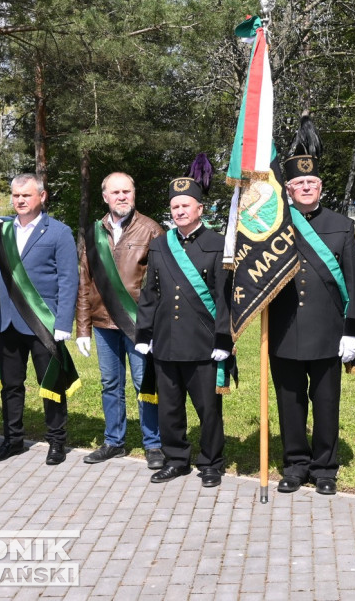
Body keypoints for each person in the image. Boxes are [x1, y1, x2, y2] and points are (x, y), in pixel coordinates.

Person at [269, 115, 355, 496]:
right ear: (288, 189)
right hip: (284, 330)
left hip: (328, 334)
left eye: (311, 182)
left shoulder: (343, 226)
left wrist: (353, 332)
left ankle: (325, 467)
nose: (305, 187)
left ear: (320, 187)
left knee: (326, 404)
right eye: (298, 183)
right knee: (290, 404)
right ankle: (295, 464)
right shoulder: (274, 226)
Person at [134, 177, 234, 486]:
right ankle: (176, 459)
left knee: (208, 409)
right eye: (175, 206)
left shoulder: (218, 244)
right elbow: (150, 292)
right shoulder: (161, 244)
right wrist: (143, 334)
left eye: (185, 205)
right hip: (166, 341)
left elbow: (225, 297)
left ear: (200, 208)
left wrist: (223, 338)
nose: (179, 211)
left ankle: (211, 462)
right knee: (170, 408)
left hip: (203, 343)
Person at [0, 173, 80, 465]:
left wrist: (64, 322)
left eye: (26, 195)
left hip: (43, 322)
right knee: (11, 385)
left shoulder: (59, 232)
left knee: (50, 384)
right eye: (15, 196)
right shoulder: (1, 232)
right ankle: (13, 440)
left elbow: (68, 280)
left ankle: (56, 441)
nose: (20, 200)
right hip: (6, 322)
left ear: (42, 196)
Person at [75, 172, 165, 469]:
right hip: (103, 324)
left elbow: (160, 284)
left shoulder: (151, 230)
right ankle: (114, 441)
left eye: (127, 191)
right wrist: (83, 328)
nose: (122, 197)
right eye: (116, 192)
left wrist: (154, 326)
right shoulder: (93, 232)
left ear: (134, 194)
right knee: (109, 383)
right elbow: (85, 283)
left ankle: (153, 444)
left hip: (138, 325)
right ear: (105, 197)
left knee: (145, 383)